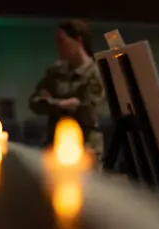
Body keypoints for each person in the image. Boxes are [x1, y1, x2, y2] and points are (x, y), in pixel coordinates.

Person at [29, 19, 106, 160]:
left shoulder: (96, 72)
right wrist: (64, 103)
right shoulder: (56, 71)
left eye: (62, 41)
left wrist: (52, 101)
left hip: (85, 144)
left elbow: (85, 106)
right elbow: (35, 101)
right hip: (54, 143)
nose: (59, 47)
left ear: (78, 40)